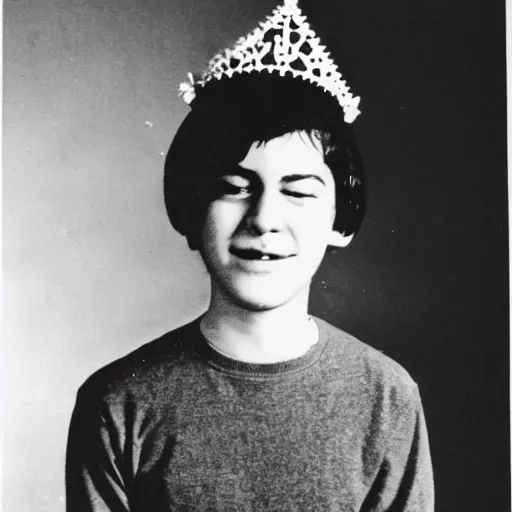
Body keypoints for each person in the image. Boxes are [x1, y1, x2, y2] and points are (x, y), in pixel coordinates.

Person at [65, 1, 434, 510]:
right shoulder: (118, 402)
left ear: (340, 219)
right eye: (234, 187)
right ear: (191, 212)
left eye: (299, 192)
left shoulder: (387, 397)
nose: (264, 218)